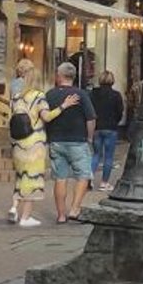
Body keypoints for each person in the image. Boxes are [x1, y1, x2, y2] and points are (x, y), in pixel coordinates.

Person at [42, 62, 94, 224]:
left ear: (59, 76)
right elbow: (91, 118)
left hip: (56, 141)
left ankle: (61, 215)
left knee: (60, 178)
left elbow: (45, 118)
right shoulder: (81, 95)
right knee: (83, 175)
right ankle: (75, 208)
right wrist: (90, 138)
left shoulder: (50, 95)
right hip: (78, 141)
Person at [8, 60, 47, 228]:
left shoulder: (15, 93)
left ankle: (14, 206)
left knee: (19, 177)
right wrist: (62, 108)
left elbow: (13, 114)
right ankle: (25, 217)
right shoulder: (38, 95)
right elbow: (45, 116)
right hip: (33, 140)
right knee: (31, 180)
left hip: (18, 140)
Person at [88, 71, 125, 192]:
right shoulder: (116, 95)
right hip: (111, 127)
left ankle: (89, 179)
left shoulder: (93, 94)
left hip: (97, 127)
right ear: (112, 81)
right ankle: (104, 183)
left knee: (96, 154)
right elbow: (120, 112)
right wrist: (116, 121)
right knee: (109, 157)